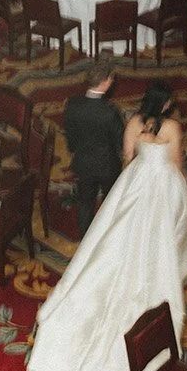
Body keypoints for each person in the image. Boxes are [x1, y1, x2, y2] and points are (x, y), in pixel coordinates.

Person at [27, 81, 187, 371]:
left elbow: (127, 157)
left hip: (137, 178)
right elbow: (177, 164)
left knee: (117, 231)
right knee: (163, 232)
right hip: (161, 181)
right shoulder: (172, 127)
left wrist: (135, 177)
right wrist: (183, 182)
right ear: (166, 105)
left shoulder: (133, 123)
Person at [64, 60, 125, 238]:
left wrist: (74, 149)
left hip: (83, 163)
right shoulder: (110, 111)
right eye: (111, 79)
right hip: (108, 165)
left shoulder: (72, 104)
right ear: (105, 82)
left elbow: (70, 133)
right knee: (110, 201)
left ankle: (85, 239)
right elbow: (120, 140)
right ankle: (109, 236)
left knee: (85, 202)